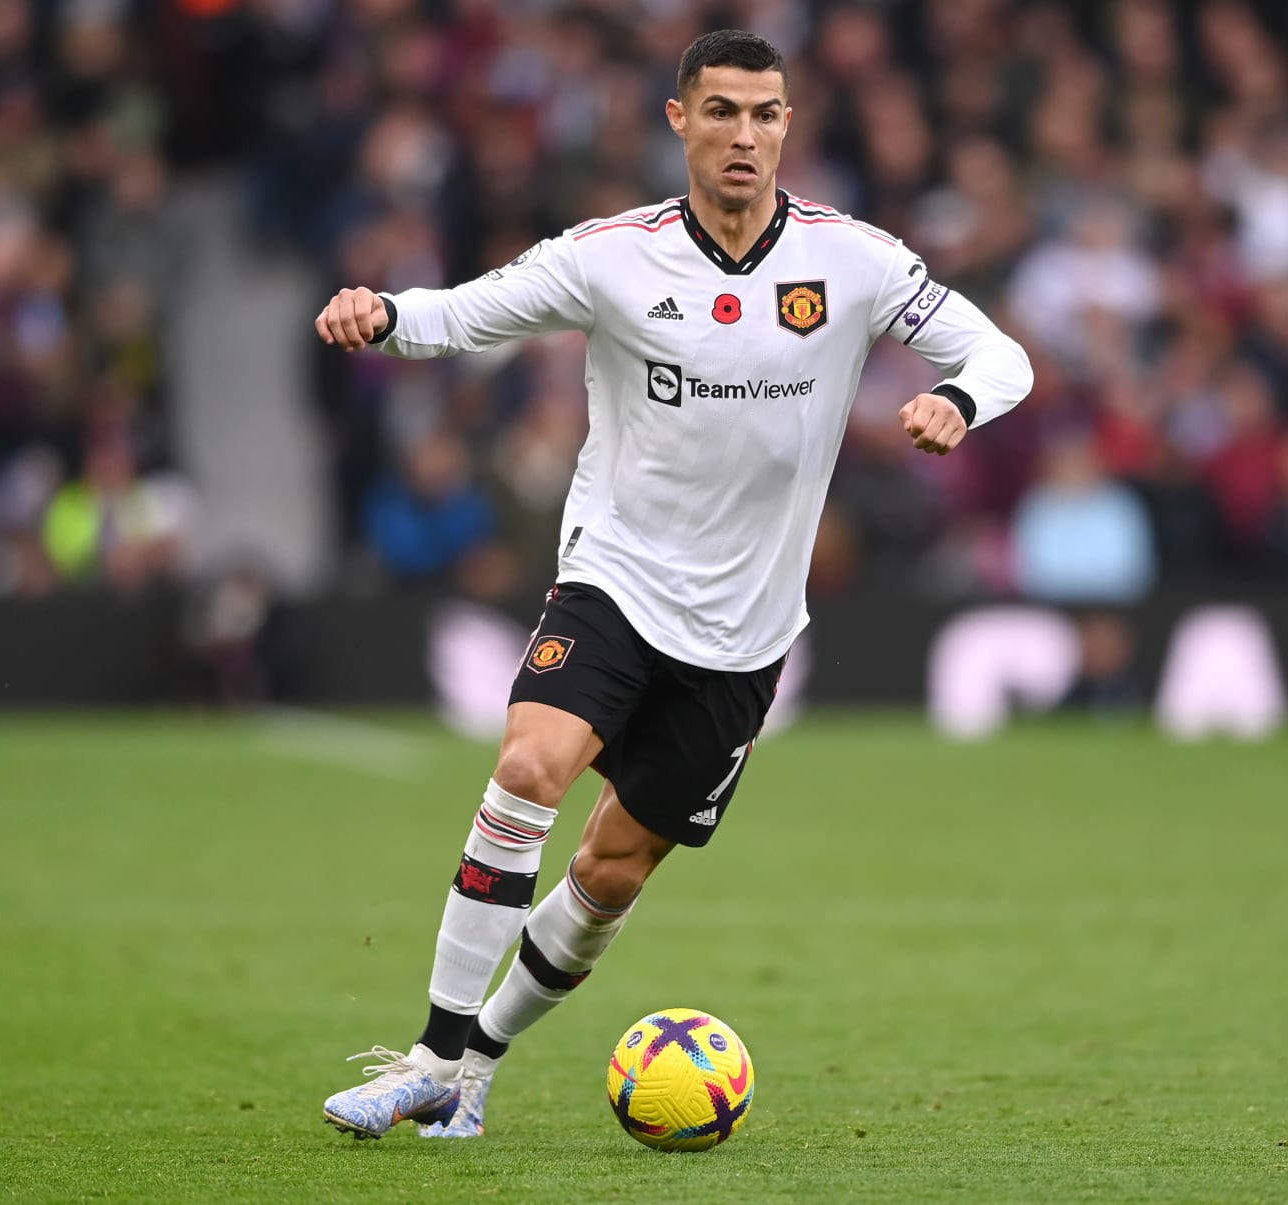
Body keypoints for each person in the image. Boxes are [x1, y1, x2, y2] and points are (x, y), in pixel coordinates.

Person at [312, 29, 1033, 1141]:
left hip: (744, 634)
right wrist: (384, 312)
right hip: (615, 577)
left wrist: (959, 403)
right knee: (529, 763)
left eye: (768, 114)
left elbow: (1004, 357)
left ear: (789, 126)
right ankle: (430, 1051)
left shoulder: (856, 261)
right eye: (725, 112)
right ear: (679, 120)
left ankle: (479, 1064)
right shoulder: (612, 255)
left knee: (611, 870)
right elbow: (466, 312)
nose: (747, 134)